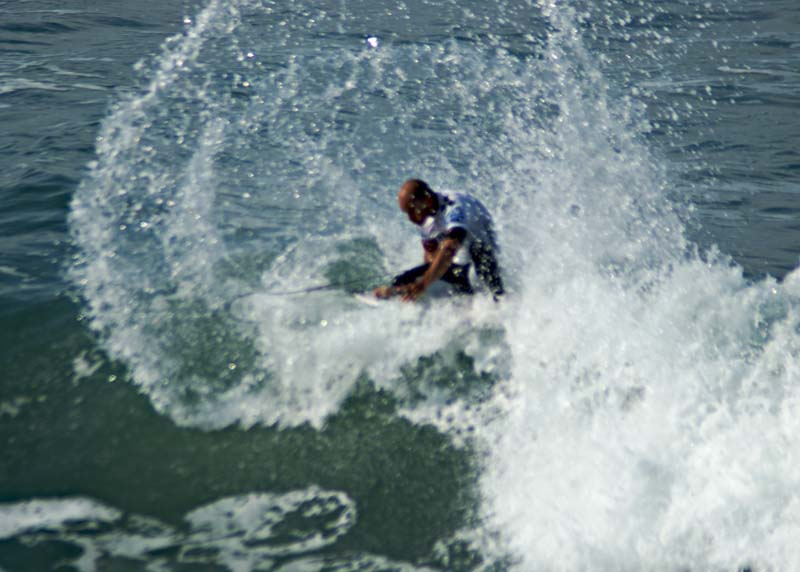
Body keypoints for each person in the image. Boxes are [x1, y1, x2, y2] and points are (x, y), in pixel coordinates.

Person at [373, 179, 504, 302]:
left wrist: (423, 284)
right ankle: (398, 295)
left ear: (427, 200)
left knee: (477, 250)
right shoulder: (425, 218)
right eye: (407, 213)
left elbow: (449, 248)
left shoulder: (454, 206)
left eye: (412, 211)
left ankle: (499, 300)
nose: (410, 218)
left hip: (485, 258)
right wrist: (414, 282)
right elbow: (430, 257)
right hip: (460, 264)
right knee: (403, 279)